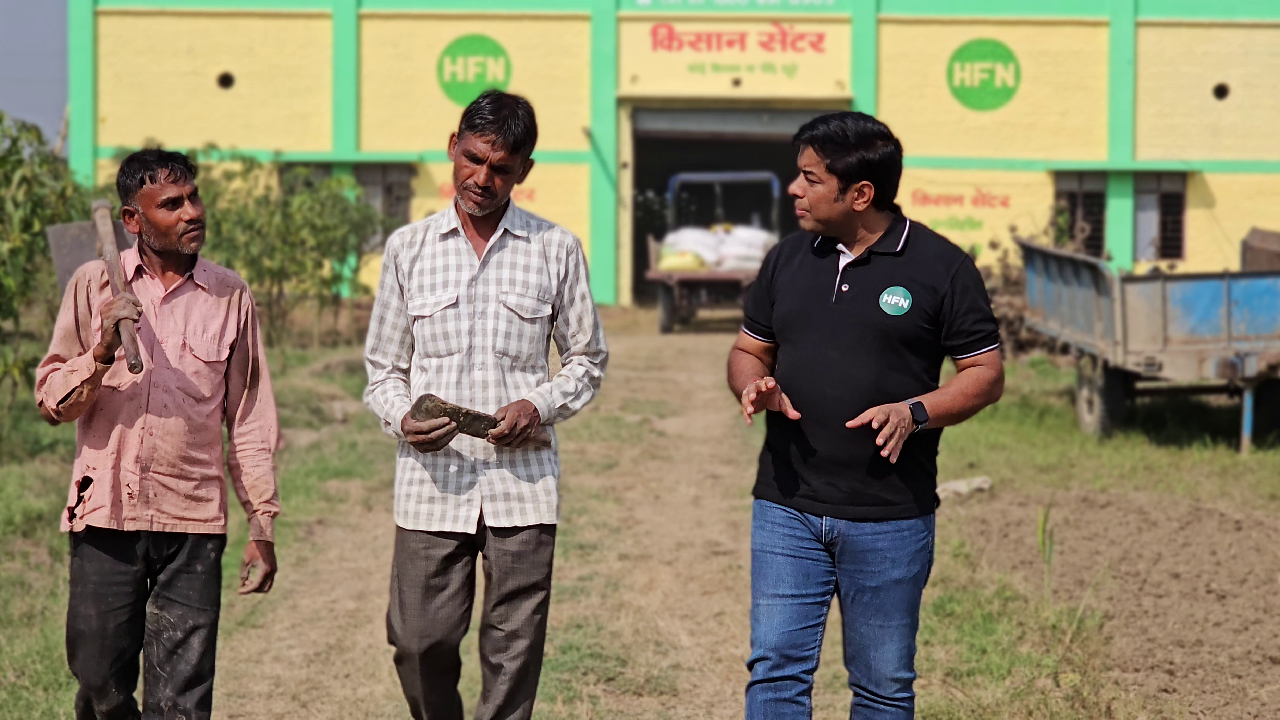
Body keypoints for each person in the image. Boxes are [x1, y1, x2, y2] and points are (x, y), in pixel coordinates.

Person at [726, 112, 1005, 719]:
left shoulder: (941, 267)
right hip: (786, 509)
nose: (794, 190)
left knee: (882, 687)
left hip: (890, 519)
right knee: (775, 672)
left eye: (809, 178)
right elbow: (749, 350)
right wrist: (755, 386)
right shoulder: (786, 260)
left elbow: (985, 376)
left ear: (860, 194)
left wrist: (915, 411)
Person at [363, 90, 608, 720]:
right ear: (453, 147)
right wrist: (402, 419)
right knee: (418, 642)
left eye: (501, 168)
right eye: (472, 159)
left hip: (521, 484)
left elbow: (586, 360)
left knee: (514, 650)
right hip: (430, 486)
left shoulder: (556, 249)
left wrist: (540, 403)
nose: (482, 178)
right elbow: (383, 370)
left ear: (524, 170)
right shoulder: (408, 249)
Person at [35, 149, 280, 720]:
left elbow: (247, 417)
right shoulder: (93, 284)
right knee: (100, 685)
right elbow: (52, 403)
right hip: (105, 518)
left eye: (193, 197)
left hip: (192, 525)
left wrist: (261, 523)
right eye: (171, 204)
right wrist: (101, 351)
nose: (192, 212)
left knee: (183, 700)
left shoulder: (229, 295)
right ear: (132, 220)